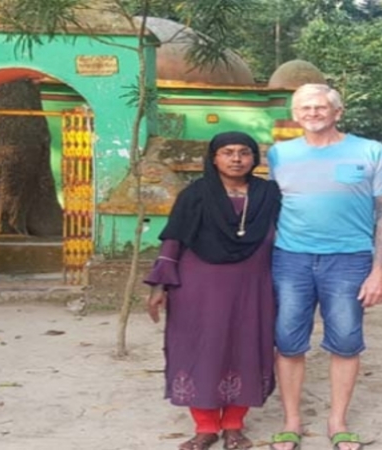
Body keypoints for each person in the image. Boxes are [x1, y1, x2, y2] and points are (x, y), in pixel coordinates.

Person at [267, 84, 382, 450]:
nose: (312, 113)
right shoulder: (279, 154)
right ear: (295, 115)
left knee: (345, 341)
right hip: (290, 259)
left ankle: (337, 421)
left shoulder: (371, 151)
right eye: (304, 108)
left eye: (320, 107)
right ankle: (291, 422)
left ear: (337, 112)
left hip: (349, 260)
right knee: (288, 342)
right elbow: (271, 209)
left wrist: (381, 271)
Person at [144, 131, 282, 450]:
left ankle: (234, 426)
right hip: (198, 286)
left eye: (244, 152)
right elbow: (174, 239)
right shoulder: (195, 194)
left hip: (253, 286)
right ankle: (205, 427)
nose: (236, 159)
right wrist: (159, 285)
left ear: (254, 158)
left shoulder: (268, 193)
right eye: (227, 152)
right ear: (214, 158)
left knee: (246, 348)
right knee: (200, 348)